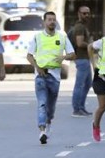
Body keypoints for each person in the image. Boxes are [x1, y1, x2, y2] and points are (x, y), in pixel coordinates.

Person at [27, 11, 75, 144]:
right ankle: (42, 130)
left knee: (51, 107)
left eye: (54, 19)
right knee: (41, 103)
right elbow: (29, 56)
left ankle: (48, 123)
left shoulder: (62, 37)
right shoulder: (37, 37)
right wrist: (37, 67)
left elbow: (72, 54)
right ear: (44, 22)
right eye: (49, 19)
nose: (52, 22)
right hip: (41, 75)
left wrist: (64, 57)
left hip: (54, 76)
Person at [69, 5, 93, 117]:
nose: (86, 15)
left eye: (88, 13)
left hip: (85, 58)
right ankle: (76, 109)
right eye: (84, 13)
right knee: (80, 84)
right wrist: (91, 45)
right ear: (79, 14)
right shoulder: (79, 27)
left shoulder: (84, 26)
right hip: (81, 58)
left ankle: (81, 107)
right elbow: (79, 43)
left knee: (87, 84)